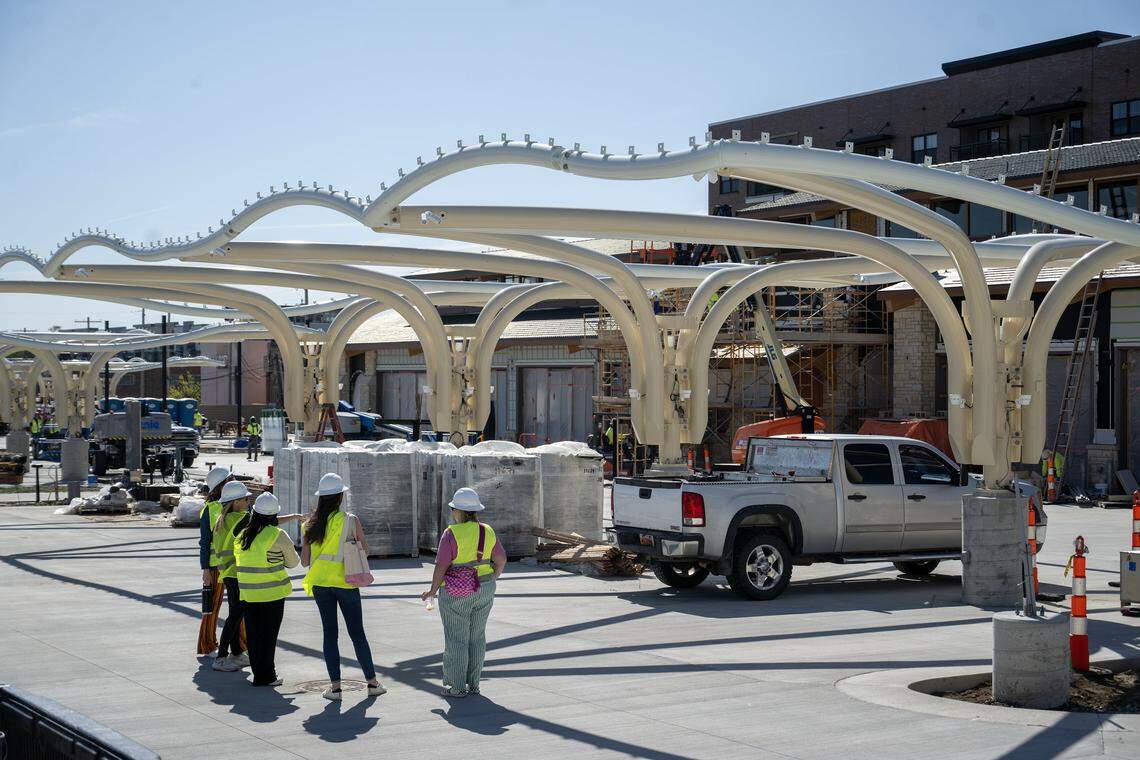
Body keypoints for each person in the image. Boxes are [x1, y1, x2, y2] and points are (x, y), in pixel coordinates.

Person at [301, 473, 386, 700]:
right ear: (340, 497)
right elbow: (365, 551)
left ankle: (336, 688)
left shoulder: (309, 524)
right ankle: (372, 683)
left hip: (319, 583)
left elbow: (305, 561)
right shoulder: (350, 520)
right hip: (346, 583)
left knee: (330, 634)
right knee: (357, 633)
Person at [420, 487, 506, 698]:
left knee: (457, 639)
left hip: (457, 591)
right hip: (484, 587)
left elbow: (441, 566)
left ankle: (457, 687)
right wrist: (492, 577)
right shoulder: (487, 530)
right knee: (477, 637)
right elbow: (501, 559)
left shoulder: (451, 533)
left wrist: (432, 590)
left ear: (457, 511)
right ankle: (474, 684)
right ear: (475, 511)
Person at [234, 492, 299, 687]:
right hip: (272, 594)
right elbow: (293, 562)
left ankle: (258, 674)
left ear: (254, 512)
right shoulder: (277, 535)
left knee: (253, 636)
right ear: (274, 516)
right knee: (268, 636)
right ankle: (267, 676)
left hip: (248, 593)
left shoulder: (242, 535)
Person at [208, 479, 253, 671]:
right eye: (245, 499)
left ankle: (236, 652)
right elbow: (267, 522)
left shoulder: (222, 519)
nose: (249, 501)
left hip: (227, 572)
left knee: (236, 613)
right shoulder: (241, 519)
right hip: (236, 573)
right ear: (236, 502)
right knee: (235, 614)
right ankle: (221, 657)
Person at [198, 466, 236, 656]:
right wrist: (205, 569)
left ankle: (240, 646)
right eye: (231, 479)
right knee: (212, 606)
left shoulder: (235, 505)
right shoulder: (210, 511)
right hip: (215, 566)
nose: (235, 481)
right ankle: (207, 644)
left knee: (238, 607)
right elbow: (204, 542)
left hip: (233, 565)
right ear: (221, 486)